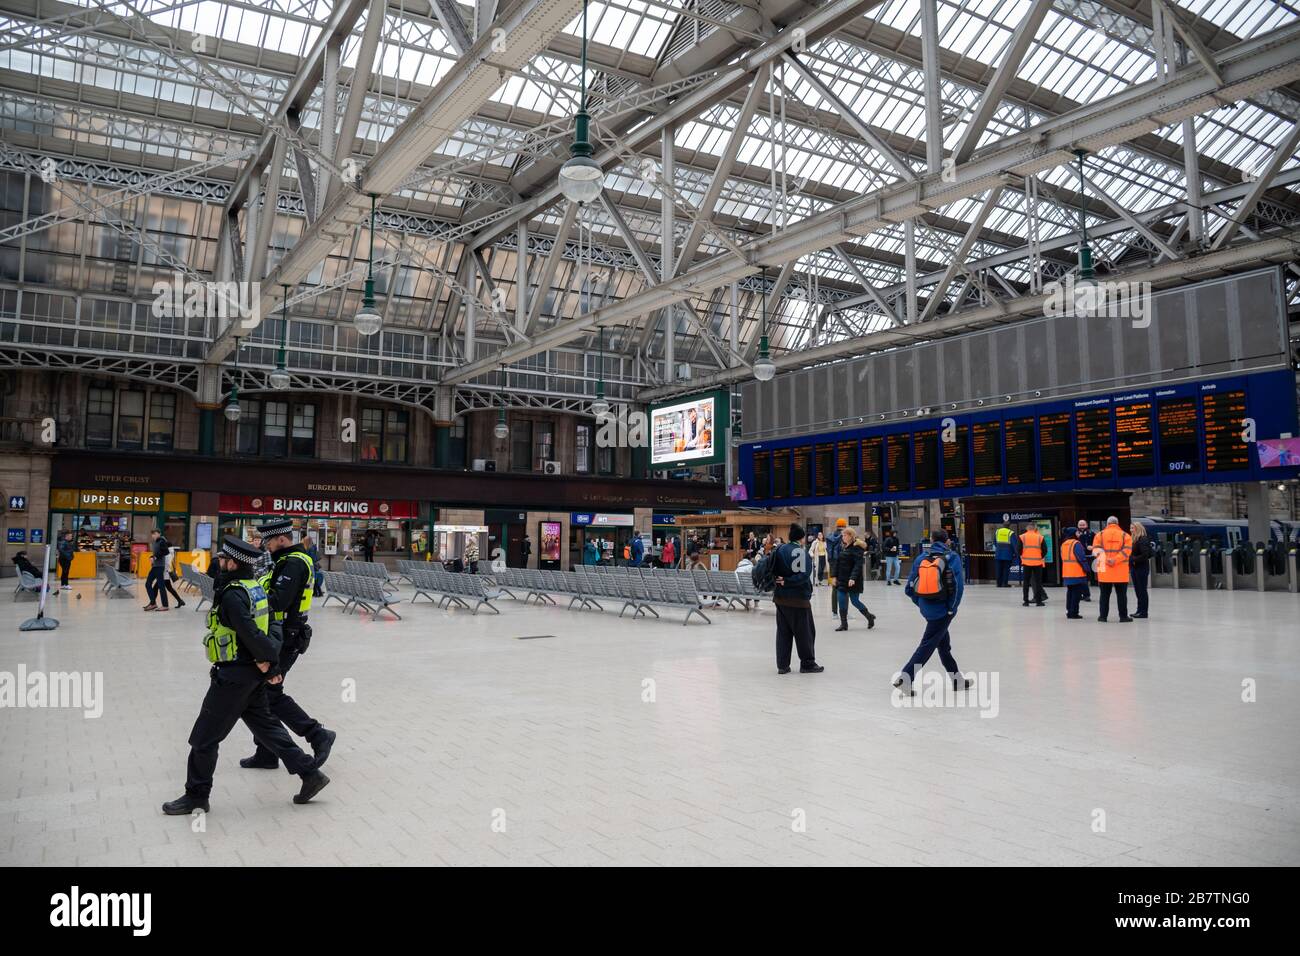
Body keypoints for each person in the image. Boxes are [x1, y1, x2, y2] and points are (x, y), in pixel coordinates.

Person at [161, 535, 330, 816]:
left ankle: (196, 795)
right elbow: (273, 626)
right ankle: (310, 774)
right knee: (266, 727)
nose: (219, 564)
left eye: (222, 560)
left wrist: (269, 663)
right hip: (252, 675)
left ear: (232, 563)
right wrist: (270, 662)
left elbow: (249, 633)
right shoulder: (257, 588)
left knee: (204, 738)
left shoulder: (233, 594)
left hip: (234, 676)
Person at [240, 518, 336, 772]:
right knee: (263, 694)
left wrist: (249, 596)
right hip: (281, 635)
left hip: (287, 637)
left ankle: (317, 734)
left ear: (282, 538)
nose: (266, 546)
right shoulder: (284, 561)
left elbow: (279, 601)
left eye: (268, 541)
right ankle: (267, 752)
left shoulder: (293, 563)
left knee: (269, 693)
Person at [893, 529, 969, 695]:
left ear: (932, 540)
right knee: (927, 645)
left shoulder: (921, 558)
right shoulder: (952, 557)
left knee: (943, 644)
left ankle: (958, 680)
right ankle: (905, 678)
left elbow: (909, 588)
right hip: (943, 611)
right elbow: (958, 588)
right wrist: (951, 609)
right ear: (947, 541)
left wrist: (921, 603)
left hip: (927, 608)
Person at [770, 524, 822, 675]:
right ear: (801, 537)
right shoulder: (800, 551)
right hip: (798, 600)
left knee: (783, 633)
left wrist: (779, 580)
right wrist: (788, 581)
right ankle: (807, 664)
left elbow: (771, 568)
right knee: (805, 633)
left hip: (780, 598)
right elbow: (803, 575)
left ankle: (782, 665)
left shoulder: (779, 549)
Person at [832, 527, 876, 632]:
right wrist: (834, 576)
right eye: (842, 535)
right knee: (841, 599)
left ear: (850, 536)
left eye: (844, 535)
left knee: (855, 601)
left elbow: (858, 565)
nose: (842, 537)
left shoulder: (857, 548)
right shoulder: (844, 547)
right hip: (842, 579)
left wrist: (852, 578)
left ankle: (869, 616)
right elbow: (837, 563)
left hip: (853, 580)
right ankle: (844, 624)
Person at [1095, 515, 1133, 623]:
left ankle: (1103, 617)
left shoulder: (1100, 535)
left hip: (1104, 570)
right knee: (1121, 595)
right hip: (1120, 571)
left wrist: (1107, 559)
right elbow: (1127, 551)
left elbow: (1096, 550)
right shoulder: (1125, 535)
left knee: (1104, 595)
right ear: (1117, 523)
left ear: (1107, 524)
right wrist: (1115, 560)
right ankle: (1123, 617)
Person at [143, 529, 184, 611]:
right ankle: (154, 603)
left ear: (159, 534)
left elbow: (165, 555)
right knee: (164, 587)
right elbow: (159, 553)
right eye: (152, 534)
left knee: (160, 587)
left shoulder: (162, 542)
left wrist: (155, 557)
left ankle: (156, 603)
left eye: (155, 534)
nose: (153, 535)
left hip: (163, 570)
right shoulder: (157, 542)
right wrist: (153, 556)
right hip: (159, 568)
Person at [1060, 528, 1089, 620]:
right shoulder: (1076, 544)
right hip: (1077, 572)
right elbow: (1081, 558)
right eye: (1077, 532)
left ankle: (1069, 611)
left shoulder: (1064, 544)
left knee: (1070, 592)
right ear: (1073, 533)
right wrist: (1087, 569)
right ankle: (1074, 613)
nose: (1079, 534)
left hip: (1067, 572)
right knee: (1076, 594)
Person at [1018, 524, 1046, 607]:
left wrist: (1023, 556)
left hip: (1026, 563)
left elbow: (1018, 549)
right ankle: (1038, 601)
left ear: (1027, 528)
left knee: (1026, 582)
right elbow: (1045, 549)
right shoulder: (1040, 537)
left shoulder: (1022, 537)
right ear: (1035, 528)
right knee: (1038, 582)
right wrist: (1040, 556)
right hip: (1037, 563)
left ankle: (1026, 601)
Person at [1130, 521, 1152, 619]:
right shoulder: (1135, 539)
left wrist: (1133, 559)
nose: (1131, 530)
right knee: (1138, 590)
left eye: (1132, 528)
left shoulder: (1143, 539)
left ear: (1138, 529)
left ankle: (1144, 612)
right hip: (1135, 568)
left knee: (1142, 590)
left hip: (1141, 568)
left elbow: (1145, 555)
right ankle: (1139, 610)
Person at [825, 518, 846, 615]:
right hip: (843, 563)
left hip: (833, 563)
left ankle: (834, 612)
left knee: (834, 587)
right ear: (844, 526)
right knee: (845, 588)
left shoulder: (830, 536)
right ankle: (844, 611)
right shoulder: (844, 536)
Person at [1076, 520, 1095, 601]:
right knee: (1079, 577)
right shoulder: (1075, 533)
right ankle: (1080, 594)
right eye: (1080, 525)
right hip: (1078, 558)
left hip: (1088, 557)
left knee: (1085, 577)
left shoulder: (1091, 533)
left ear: (1086, 525)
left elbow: (1097, 542)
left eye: (1083, 524)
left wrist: (1093, 547)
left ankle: (1086, 595)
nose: (1082, 526)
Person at [993, 521, 1015, 588]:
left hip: (998, 554)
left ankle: (998, 584)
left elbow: (994, 542)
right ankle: (1004, 583)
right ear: (1009, 526)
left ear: (1003, 525)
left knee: (998, 569)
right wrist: (1016, 553)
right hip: (1007, 555)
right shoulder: (1010, 533)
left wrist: (999, 548)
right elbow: (1014, 544)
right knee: (1006, 570)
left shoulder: (997, 532)